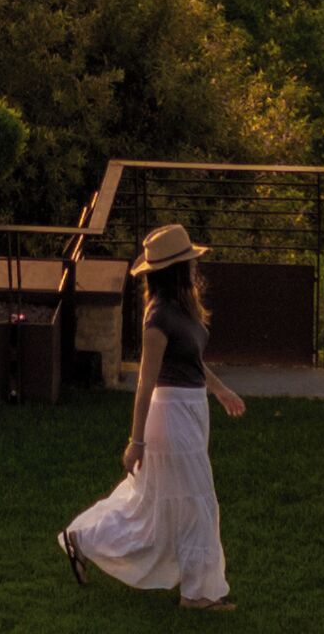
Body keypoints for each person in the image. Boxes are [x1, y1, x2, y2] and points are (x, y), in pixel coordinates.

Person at [58, 223, 245, 609]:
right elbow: (145, 383)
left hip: (192, 410)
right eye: (189, 263)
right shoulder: (157, 318)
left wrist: (220, 389)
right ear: (175, 270)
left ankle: (80, 539)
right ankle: (198, 593)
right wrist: (136, 440)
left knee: (152, 510)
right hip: (171, 415)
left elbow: (192, 360)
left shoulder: (184, 308)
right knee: (197, 502)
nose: (195, 268)